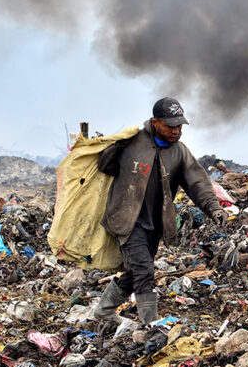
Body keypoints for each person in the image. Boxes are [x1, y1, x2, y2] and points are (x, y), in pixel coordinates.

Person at [94, 97, 227, 327]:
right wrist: (108, 147)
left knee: (137, 270)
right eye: (171, 126)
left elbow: (197, 183)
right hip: (128, 220)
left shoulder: (179, 153)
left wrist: (213, 208)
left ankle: (103, 311)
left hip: (155, 224)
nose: (176, 131)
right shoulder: (132, 142)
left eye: (179, 126)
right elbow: (105, 166)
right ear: (156, 122)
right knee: (144, 271)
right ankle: (150, 327)